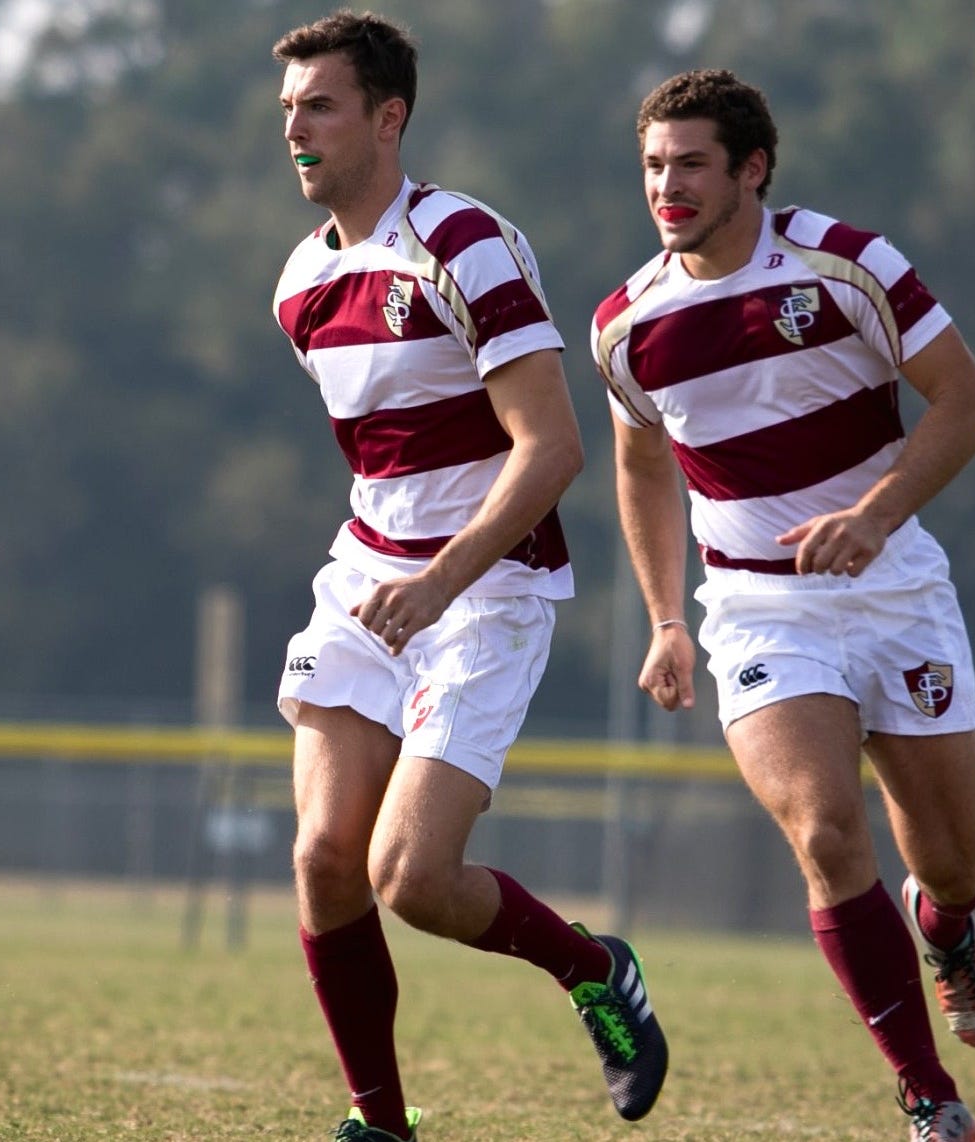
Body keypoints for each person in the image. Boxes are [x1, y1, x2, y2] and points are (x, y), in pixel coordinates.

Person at [270, 12, 667, 1139]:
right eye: (289, 108)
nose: (295, 128)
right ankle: (380, 1124)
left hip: (486, 590)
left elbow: (554, 449)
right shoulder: (300, 283)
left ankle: (594, 969)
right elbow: (390, 459)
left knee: (411, 875)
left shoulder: (464, 241)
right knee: (323, 858)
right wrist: (395, 574)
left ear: (387, 118)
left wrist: (439, 582)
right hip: (368, 581)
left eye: (321, 106)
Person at [593, 68, 975, 1142]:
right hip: (759, 610)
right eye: (653, 166)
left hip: (895, 587)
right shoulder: (627, 323)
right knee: (825, 830)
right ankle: (929, 1094)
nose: (667, 187)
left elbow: (968, 404)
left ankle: (943, 923)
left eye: (691, 164)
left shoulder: (849, 264)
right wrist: (668, 618)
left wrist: (875, 512)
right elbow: (640, 466)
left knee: (954, 862)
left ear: (753, 169)